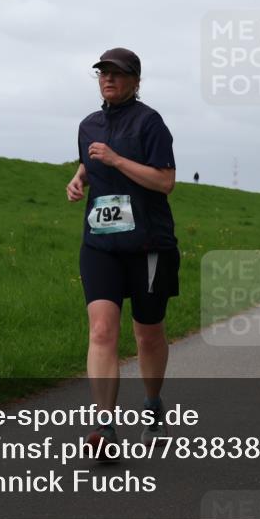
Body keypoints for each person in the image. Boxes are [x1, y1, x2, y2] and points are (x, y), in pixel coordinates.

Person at [66, 47, 179, 450]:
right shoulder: (88, 125)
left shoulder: (150, 123)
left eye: (117, 73)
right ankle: (105, 426)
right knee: (101, 330)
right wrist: (78, 179)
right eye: (102, 73)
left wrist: (116, 160)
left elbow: (165, 181)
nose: (108, 79)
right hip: (100, 243)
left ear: (136, 80)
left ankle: (152, 403)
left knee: (148, 334)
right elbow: (88, 160)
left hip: (148, 244)